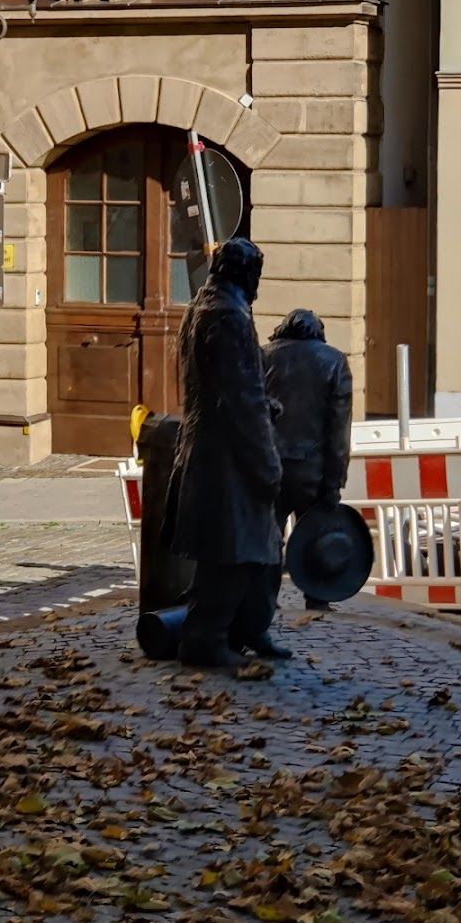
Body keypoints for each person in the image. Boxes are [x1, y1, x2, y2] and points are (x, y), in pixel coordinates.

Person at [163, 238, 288, 668]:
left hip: (210, 448)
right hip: (229, 458)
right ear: (247, 274)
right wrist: (267, 464)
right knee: (234, 553)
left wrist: (261, 406)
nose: (257, 285)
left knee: (251, 549)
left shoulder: (202, 307)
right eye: (256, 275)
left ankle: (248, 628)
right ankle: (206, 638)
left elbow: (221, 387)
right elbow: (241, 402)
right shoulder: (228, 315)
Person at [262, 309, 354, 612]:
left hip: (269, 464)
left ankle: (264, 599)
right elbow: (339, 429)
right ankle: (316, 595)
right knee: (316, 532)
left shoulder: (264, 357)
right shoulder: (334, 361)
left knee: (267, 535)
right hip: (311, 469)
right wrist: (335, 479)